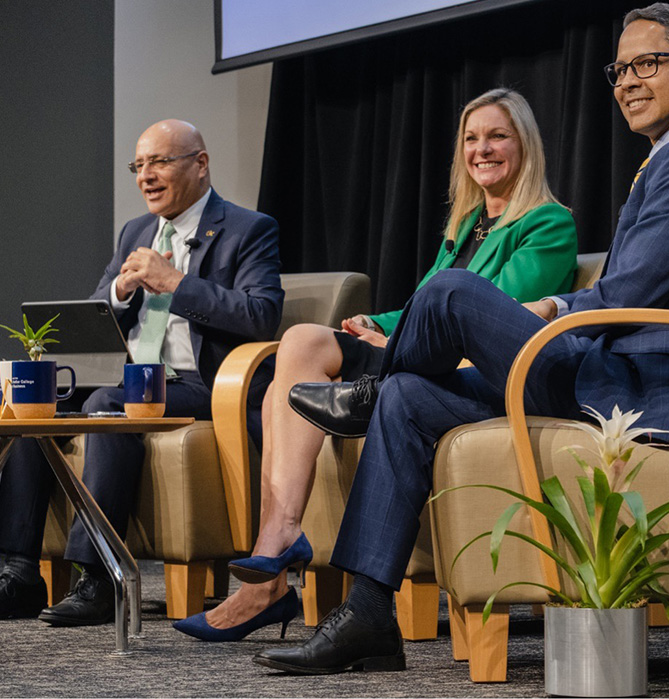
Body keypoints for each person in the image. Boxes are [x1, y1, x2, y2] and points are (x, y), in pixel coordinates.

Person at [259, 3, 669, 674]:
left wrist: (554, 306)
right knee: (409, 396)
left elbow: (628, 297)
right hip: (601, 365)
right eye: (621, 68)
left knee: (451, 292)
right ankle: (371, 611)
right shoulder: (668, 158)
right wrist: (560, 306)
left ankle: (367, 392)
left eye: (649, 63)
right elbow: (626, 291)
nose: (628, 81)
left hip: (630, 389)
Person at [171, 88, 578, 641]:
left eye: (497, 136)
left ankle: (266, 578)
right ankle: (280, 536)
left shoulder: (548, 224)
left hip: (467, 366)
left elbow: (488, 314)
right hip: (418, 349)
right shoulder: (464, 228)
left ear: (525, 144)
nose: (482, 149)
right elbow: (420, 304)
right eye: (472, 138)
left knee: (280, 388)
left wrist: (396, 340)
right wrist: (379, 324)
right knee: (302, 343)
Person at [0, 119, 283, 626]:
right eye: (139, 165)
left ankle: (100, 577)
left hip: (202, 386)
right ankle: (21, 574)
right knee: (32, 396)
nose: (146, 176)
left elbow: (260, 315)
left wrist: (174, 282)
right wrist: (120, 293)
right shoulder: (137, 231)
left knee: (107, 401)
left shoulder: (248, 229)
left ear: (201, 163)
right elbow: (93, 312)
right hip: (130, 377)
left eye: (160, 162)